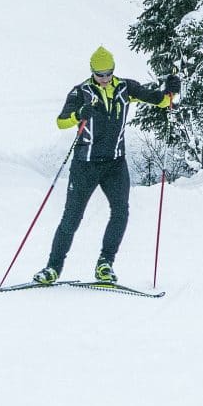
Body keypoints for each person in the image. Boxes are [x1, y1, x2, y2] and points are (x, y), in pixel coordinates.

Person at [33, 47, 180, 285]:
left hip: (115, 164)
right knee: (72, 218)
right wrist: (79, 114)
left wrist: (171, 91)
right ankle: (52, 268)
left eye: (108, 73)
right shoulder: (80, 91)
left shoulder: (125, 88)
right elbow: (61, 122)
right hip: (85, 164)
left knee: (121, 212)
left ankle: (105, 264)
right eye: (100, 74)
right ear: (92, 72)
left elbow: (160, 101)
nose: (104, 78)